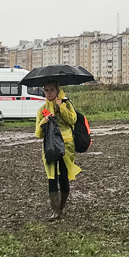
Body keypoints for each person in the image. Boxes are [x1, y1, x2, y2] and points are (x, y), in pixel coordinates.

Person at [35, 81, 81, 221]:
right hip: (50, 146)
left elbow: (72, 120)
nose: (48, 92)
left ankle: (61, 206)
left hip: (66, 147)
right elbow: (38, 133)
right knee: (52, 177)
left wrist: (61, 107)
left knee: (64, 176)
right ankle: (55, 211)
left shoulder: (66, 104)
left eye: (51, 89)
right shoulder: (42, 110)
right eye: (46, 90)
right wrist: (45, 121)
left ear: (57, 90)